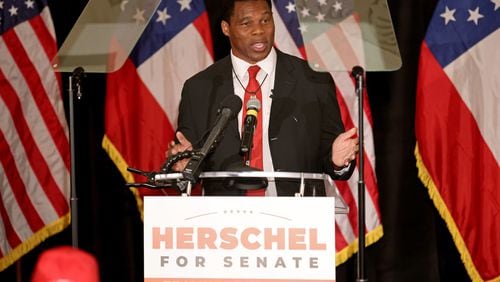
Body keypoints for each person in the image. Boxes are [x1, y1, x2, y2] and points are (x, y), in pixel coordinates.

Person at [168, 0, 358, 196]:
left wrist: (337, 160)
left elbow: (333, 160)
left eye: (265, 20)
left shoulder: (313, 81)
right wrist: (182, 166)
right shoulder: (199, 88)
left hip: (297, 217)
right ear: (226, 28)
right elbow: (188, 172)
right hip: (224, 219)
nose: (259, 30)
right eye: (246, 23)